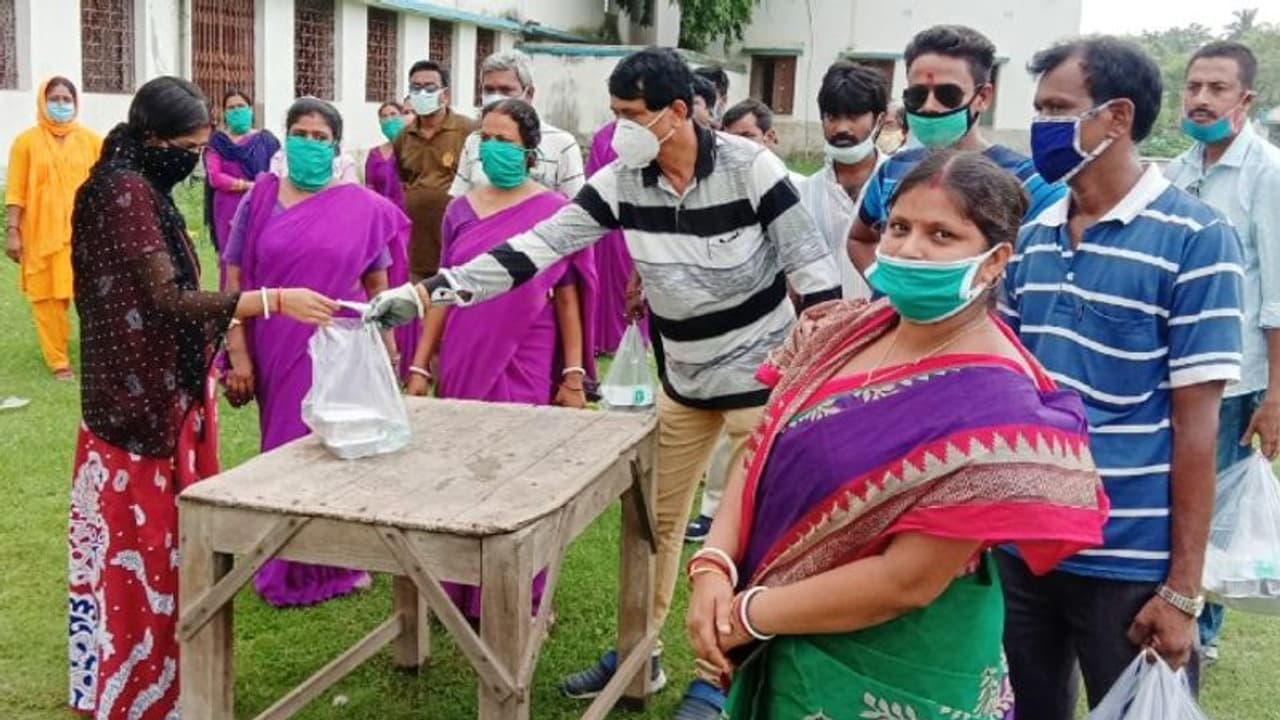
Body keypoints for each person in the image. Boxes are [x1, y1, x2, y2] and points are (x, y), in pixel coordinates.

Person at [368, 47, 841, 720]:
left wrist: (810, 373)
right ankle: (636, 648)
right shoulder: (621, 181)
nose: (616, 129)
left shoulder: (751, 167)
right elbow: (537, 247)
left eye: (631, 114)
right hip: (682, 382)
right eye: (613, 114)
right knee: (654, 525)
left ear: (678, 113)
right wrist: (431, 290)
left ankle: (720, 674)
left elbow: (812, 268)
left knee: (747, 535)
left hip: (763, 384)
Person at [686, 150, 1108, 720]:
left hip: (897, 665)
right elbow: (761, 448)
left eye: (941, 235)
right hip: (776, 629)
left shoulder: (997, 409)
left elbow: (906, 581)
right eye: (900, 228)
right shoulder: (836, 330)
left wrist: (745, 616)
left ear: (994, 260)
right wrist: (714, 565)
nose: (910, 249)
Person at [66, 76, 335, 718]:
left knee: (165, 549)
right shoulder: (125, 193)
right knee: (143, 553)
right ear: (155, 138)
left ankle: (159, 681)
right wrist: (272, 302)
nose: (192, 158)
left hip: (152, 392)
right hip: (136, 410)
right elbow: (165, 299)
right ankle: (140, 691)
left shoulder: (131, 181)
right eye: (187, 146)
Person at [1000, 36, 1245, 716]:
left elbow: (1198, 428)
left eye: (1058, 108)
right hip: (1025, 549)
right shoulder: (1034, 233)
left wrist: (1182, 590)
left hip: (1128, 561)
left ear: (1117, 117)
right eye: (1038, 108)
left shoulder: (1196, 239)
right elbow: (1011, 390)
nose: (1041, 126)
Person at [405, 99, 598, 619]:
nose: (492, 148)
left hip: (526, 353)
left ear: (530, 150)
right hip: (465, 352)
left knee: (515, 473)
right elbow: (444, 289)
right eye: (485, 138)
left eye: (505, 140)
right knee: (459, 470)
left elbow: (568, 296)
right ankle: (463, 590)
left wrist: (574, 374)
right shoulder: (460, 209)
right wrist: (422, 365)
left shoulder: (557, 212)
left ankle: (519, 593)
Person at [686, 61, 891, 544]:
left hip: (887, 335)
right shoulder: (800, 192)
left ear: (879, 118)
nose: (842, 128)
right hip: (811, 341)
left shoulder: (904, 187)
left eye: (855, 116)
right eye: (832, 115)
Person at [223, 97, 410, 608]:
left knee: (335, 451)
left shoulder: (360, 207)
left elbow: (379, 281)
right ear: (284, 139)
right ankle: (285, 567)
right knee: (283, 452)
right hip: (274, 342)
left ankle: (336, 560)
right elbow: (233, 276)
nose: (309, 142)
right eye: (299, 133)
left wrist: (389, 348)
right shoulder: (259, 198)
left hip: (337, 347)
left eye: (320, 136)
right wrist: (237, 352)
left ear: (335, 146)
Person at [1164, 40, 1280, 664]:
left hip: (1235, 379)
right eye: (1194, 87)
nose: (1202, 99)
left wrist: (1277, 396)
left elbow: (1279, 296)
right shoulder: (1178, 171)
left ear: (1245, 100)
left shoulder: (1267, 174)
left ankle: (1200, 636)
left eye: (1218, 89)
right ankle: (1171, 608)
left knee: (1206, 505)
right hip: (1175, 369)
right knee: (1173, 496)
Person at [849, 25, 1066, 274]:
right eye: (918, 95)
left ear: (982, 97)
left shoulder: (1033, 184)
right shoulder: (893, 171)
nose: (929, 107)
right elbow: (860, 238)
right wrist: (884, 292)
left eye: (947, 94)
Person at [5, 77, 102, 380]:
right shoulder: (26, 142)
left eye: (66, 99)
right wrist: (12, 229)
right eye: (55, 98)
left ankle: (99, 353)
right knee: (47, 298)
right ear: (42, 101)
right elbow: (16, 190)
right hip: (41, 234)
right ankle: (58, 360)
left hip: (84, 233)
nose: (61, 105)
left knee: (93, 295)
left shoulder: (91, 141)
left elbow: (104, 186)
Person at [450, 50, 586, 199]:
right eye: (489, 90)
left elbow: (576, 208)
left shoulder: (562, 144)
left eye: (506, 90)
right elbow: (459, 199)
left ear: (529, 94)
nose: (496, 97)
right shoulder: (474, 141)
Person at [396, 60, 476, 281]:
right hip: (417, 245)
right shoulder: (404, 136)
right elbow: (405, 179)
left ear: (445, 94)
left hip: (458, 238)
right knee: (419, 305)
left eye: (429, 88)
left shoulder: (469, 130)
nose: (422, 93)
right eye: (415, 87)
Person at [203, 90, 280, 285]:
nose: (237, 111)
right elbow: (215, 177)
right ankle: (231, 304)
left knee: (258, 250)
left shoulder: (266, 141)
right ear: (224, 113)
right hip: (227, 206)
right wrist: (250, 185)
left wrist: (260, 190)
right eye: (231, 108)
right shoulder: (218, 142)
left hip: (259, 203)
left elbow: (278, 171)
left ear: (251, 110)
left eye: (241, 106)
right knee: (230, 255)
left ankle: (261, 302)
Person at [367, 100, 419, 381]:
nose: (389, 119)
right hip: (381, 229)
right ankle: (387, 354)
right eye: (384, 116)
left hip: (406, 228)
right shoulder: (374, 154)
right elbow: (369, 190)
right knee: (383, 286)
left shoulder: (412, 151)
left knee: (404, 284)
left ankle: (409, 359)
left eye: (394, 114)